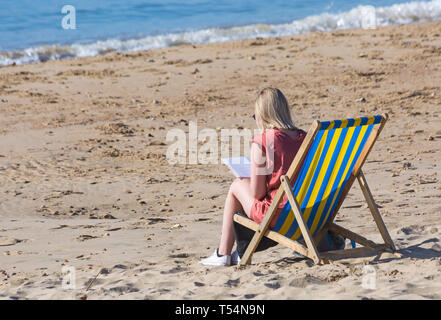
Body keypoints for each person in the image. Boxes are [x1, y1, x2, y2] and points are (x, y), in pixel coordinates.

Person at [200, 87, 307, 266]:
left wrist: (249, 177)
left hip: (278, 214)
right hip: (307, 211)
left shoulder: (264, 140)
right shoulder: (305, 138)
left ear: (263, 115)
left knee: (237, 185)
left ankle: (222, 254)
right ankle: (234, 251)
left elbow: (257, 193)